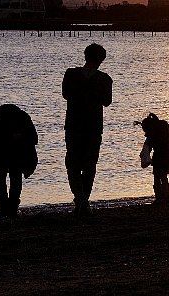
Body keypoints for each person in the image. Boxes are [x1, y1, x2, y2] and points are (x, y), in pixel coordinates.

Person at [62, 43, 113, 215]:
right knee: (89, 164)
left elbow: (65, 94)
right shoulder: (104, 79)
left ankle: (80, 199)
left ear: (85, 56)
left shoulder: (71, 74)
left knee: (73, 164)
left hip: (74, 126)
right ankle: (83, 200)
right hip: (93, 127)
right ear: (101, 60)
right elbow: (107, 101)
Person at [0, 103, 38, 218]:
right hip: (10, 153)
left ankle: (6, 206)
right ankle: (11, 206)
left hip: (7, 153)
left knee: (3, 177)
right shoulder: (22, 118)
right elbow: (34, 139)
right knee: (13, 177)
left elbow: (33, 139)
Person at [136, 112, 169, 205]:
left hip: (160, 157)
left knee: (157, 177)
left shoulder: (154, 133)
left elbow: (149, 146)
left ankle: (160, 198)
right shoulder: (164, 129)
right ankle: (165, 197)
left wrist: (144, 154)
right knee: (163, 176)